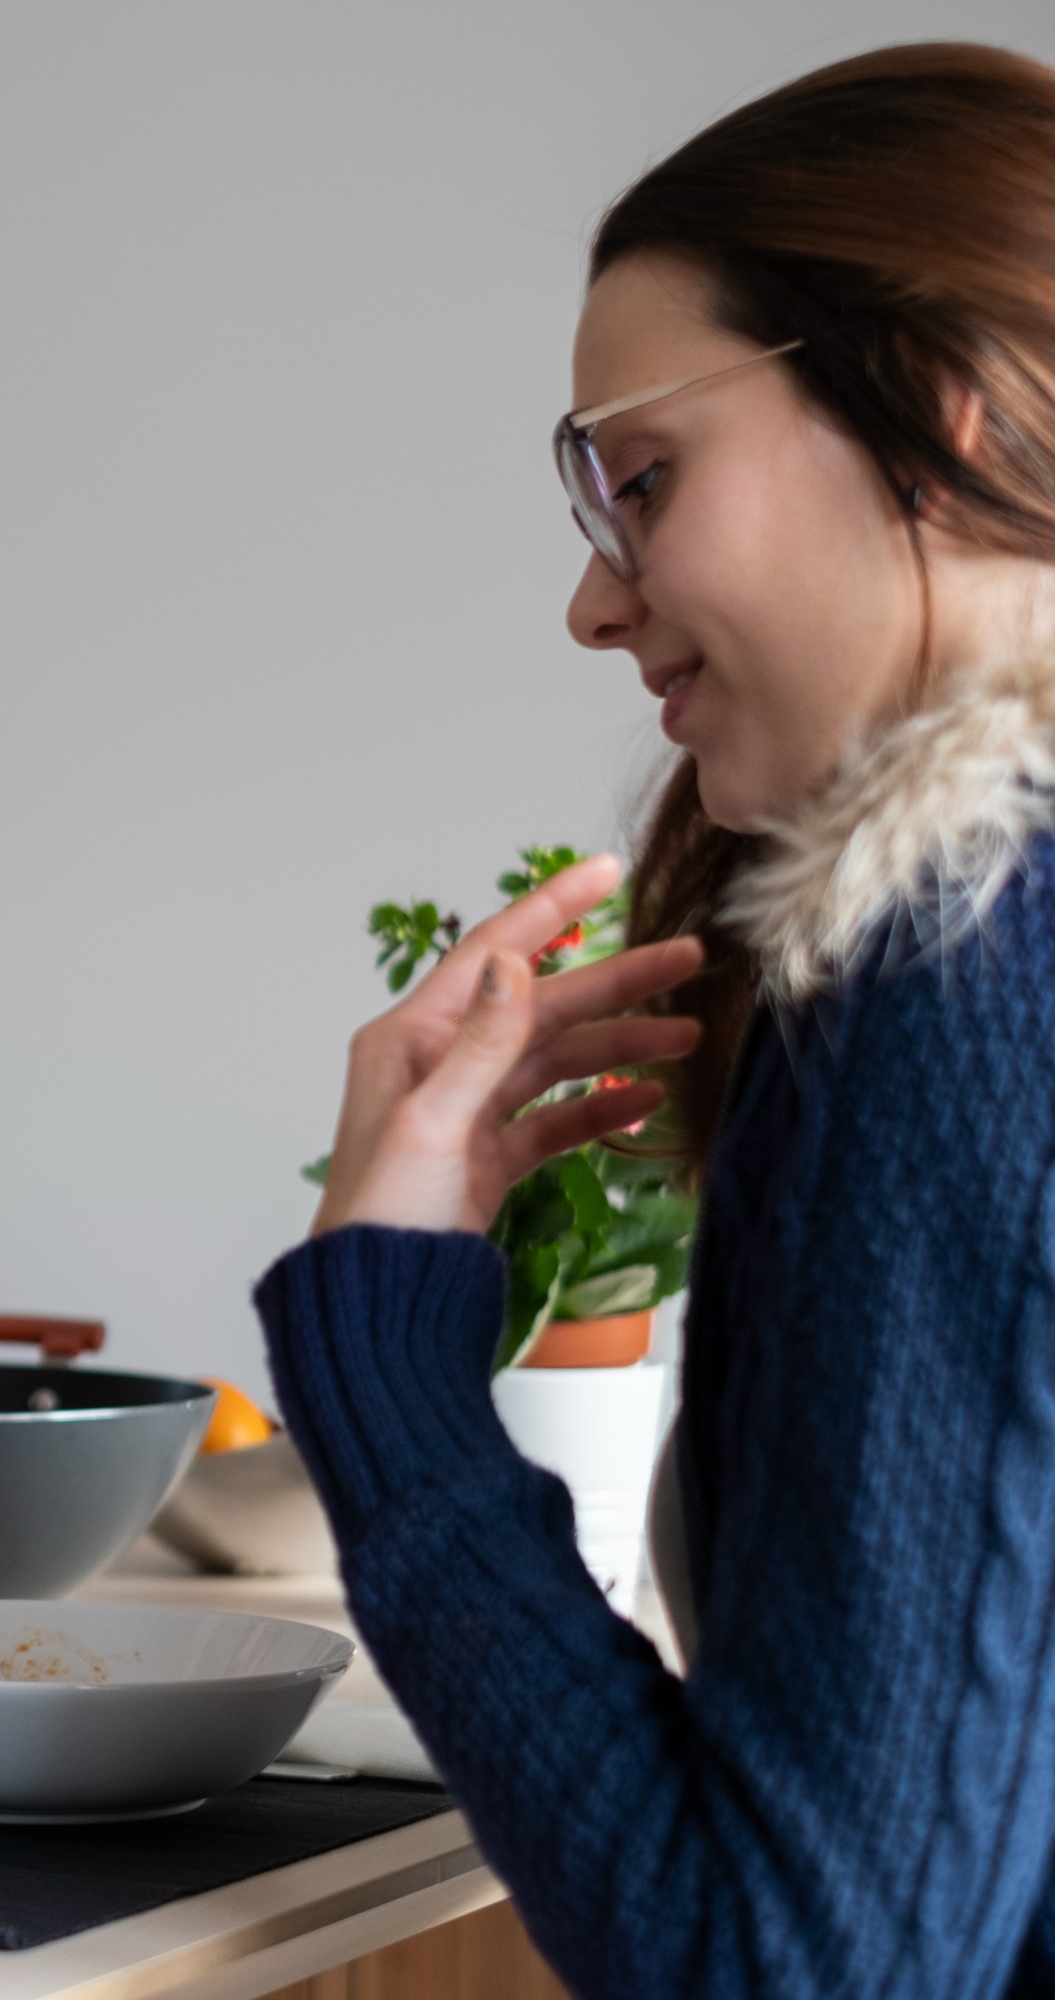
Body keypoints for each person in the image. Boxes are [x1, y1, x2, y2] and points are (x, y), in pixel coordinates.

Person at [266, 42, 1055, 1998]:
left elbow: (782, 1969)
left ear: (932, 413)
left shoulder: (969, 971)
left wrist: (386, 1354)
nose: (594, 603)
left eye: (644, 481)